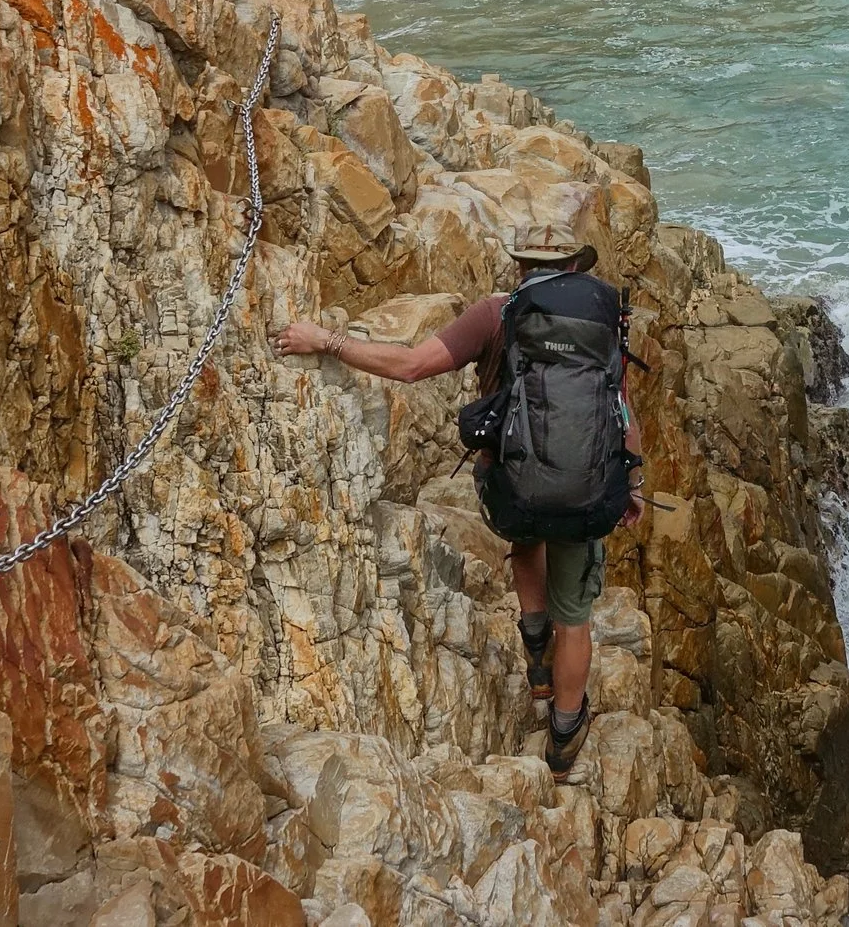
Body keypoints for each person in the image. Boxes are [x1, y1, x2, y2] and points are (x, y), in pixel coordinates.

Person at [274, 222, 646, 779]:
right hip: (585, 491)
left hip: (511, 490)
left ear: (520, 265)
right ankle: (565, 738)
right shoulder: (597, 321)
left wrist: (325, 341)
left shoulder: (495, 313)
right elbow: (619, 411)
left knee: (527, 536)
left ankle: (534, 646)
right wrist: (633, 483)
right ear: (574, 267)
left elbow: (411, 365)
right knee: (578, 617)